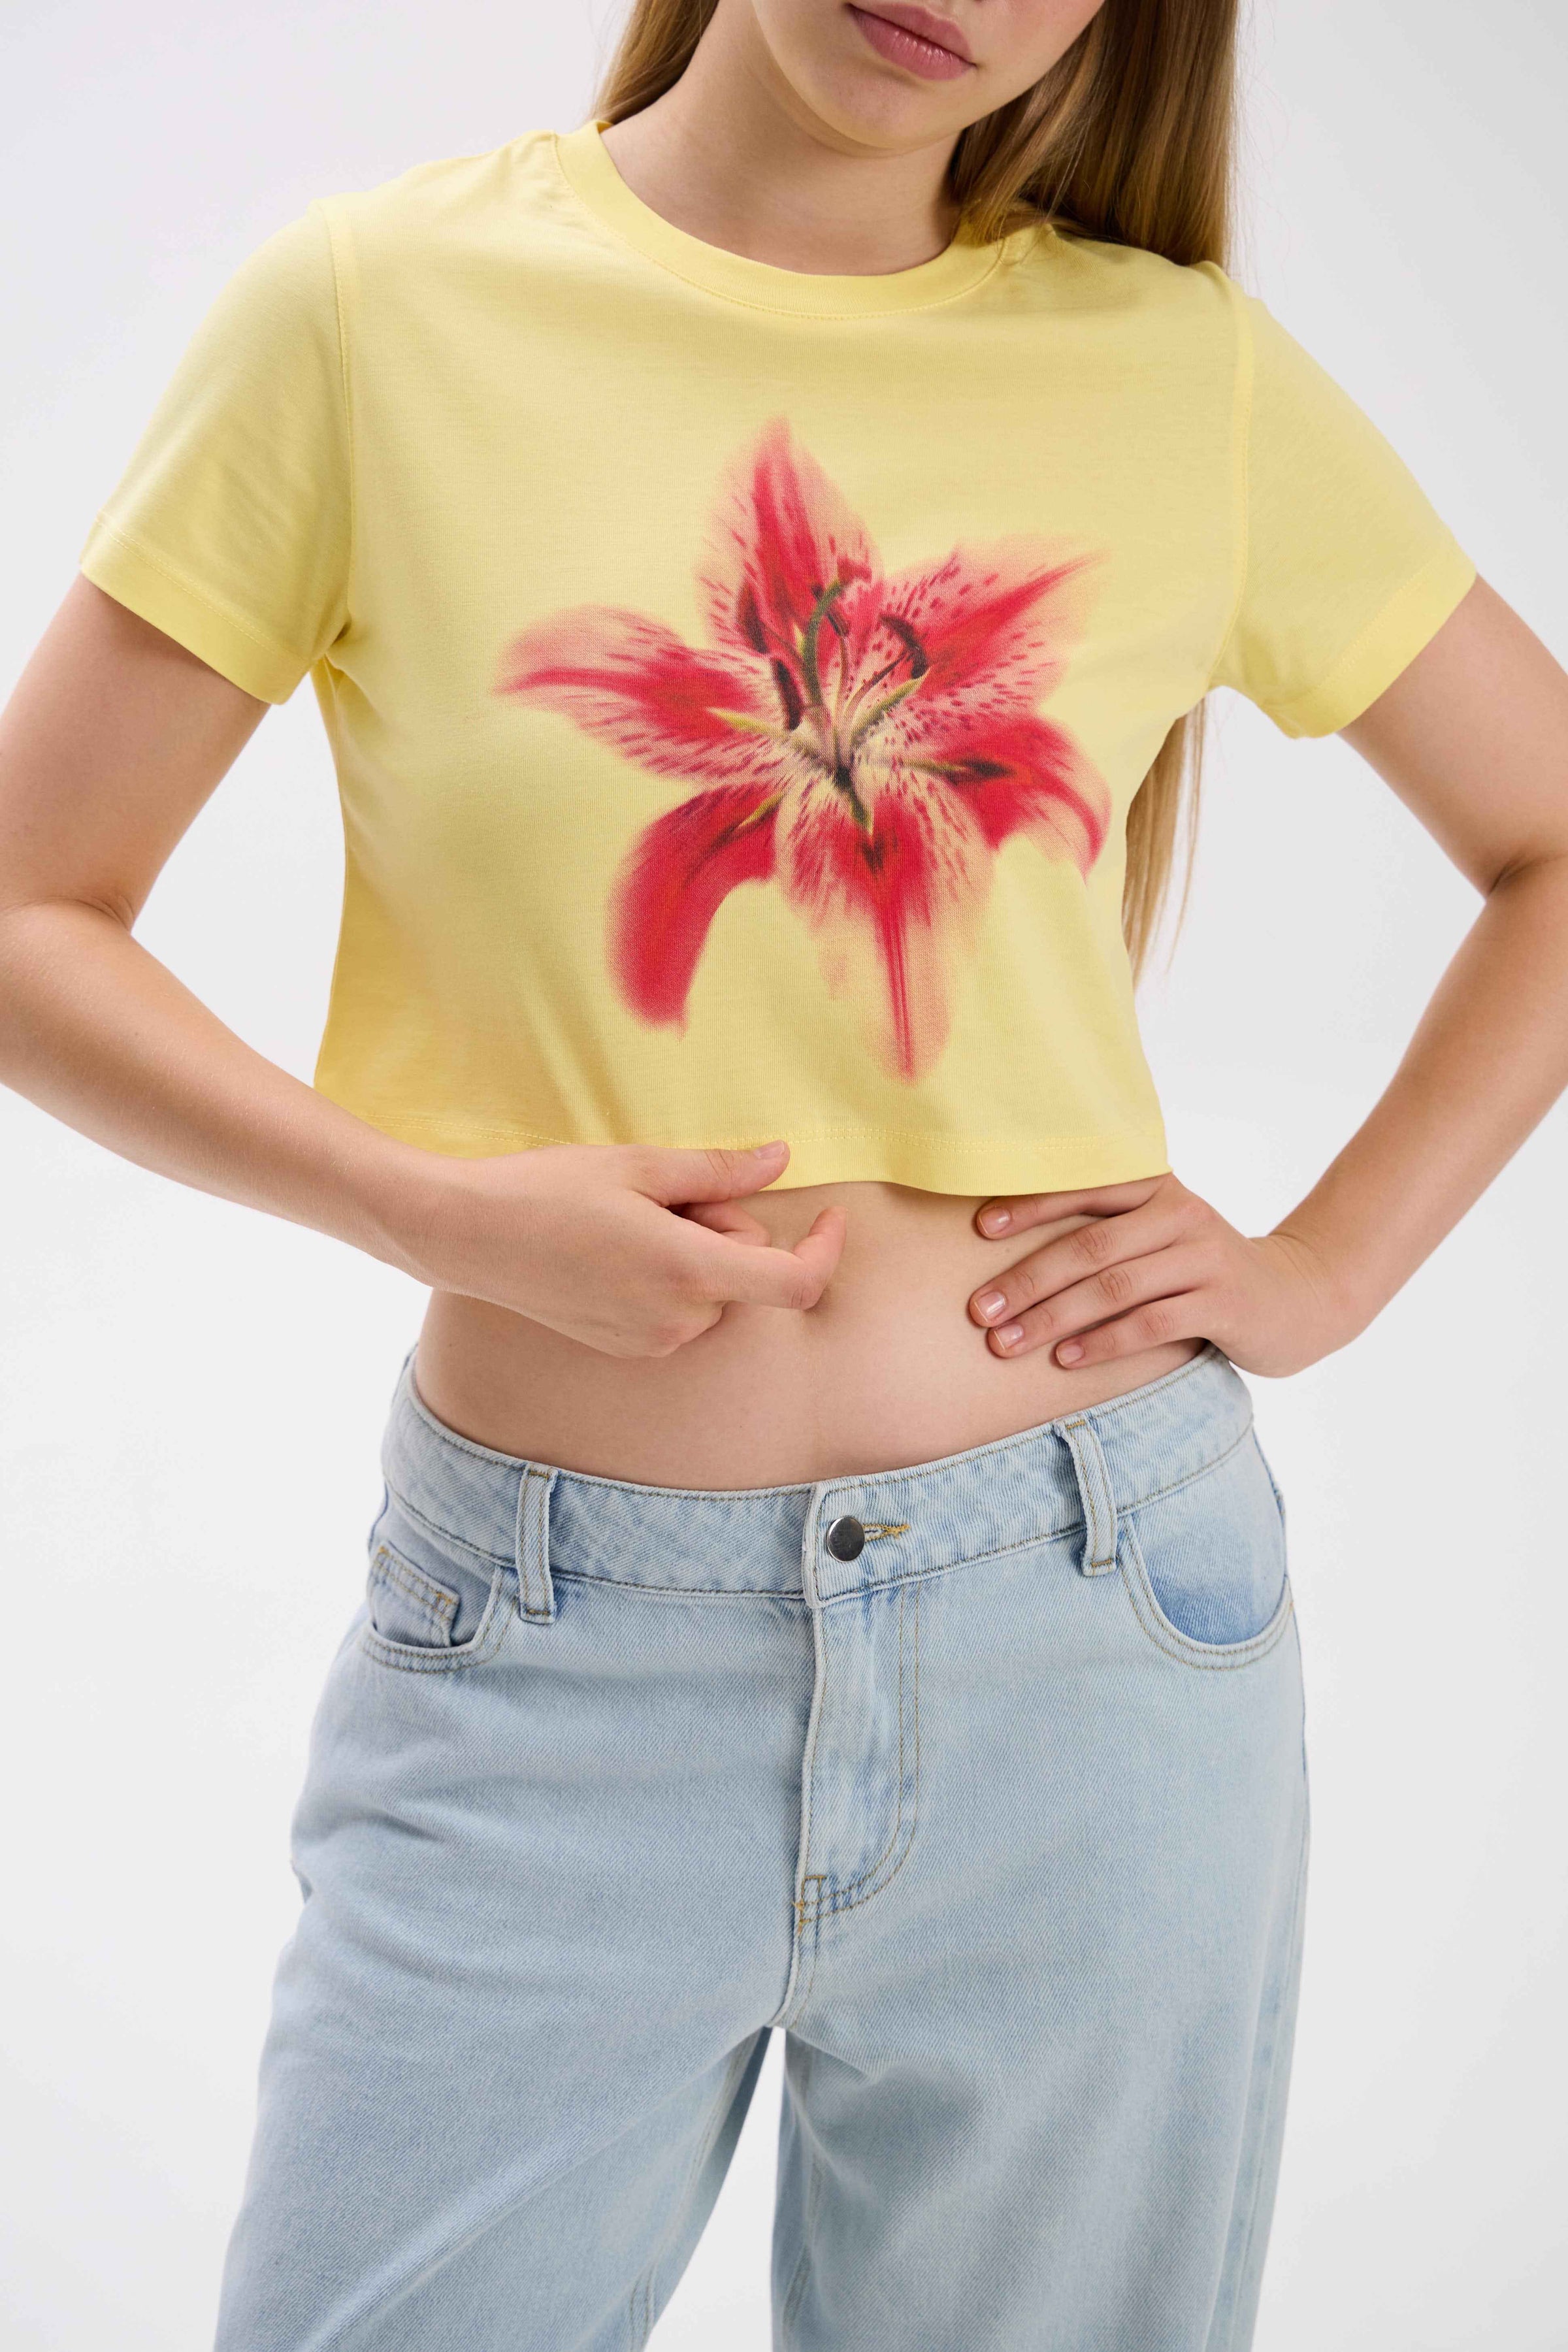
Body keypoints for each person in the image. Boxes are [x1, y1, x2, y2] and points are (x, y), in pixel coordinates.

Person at [3, 1, 1565, 2344]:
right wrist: (425, 1206)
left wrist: (1330, 1269)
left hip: (1101, 1648)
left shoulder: (1175, 369)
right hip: (545, 1654)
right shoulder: (370, 313)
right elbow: (30, 910)